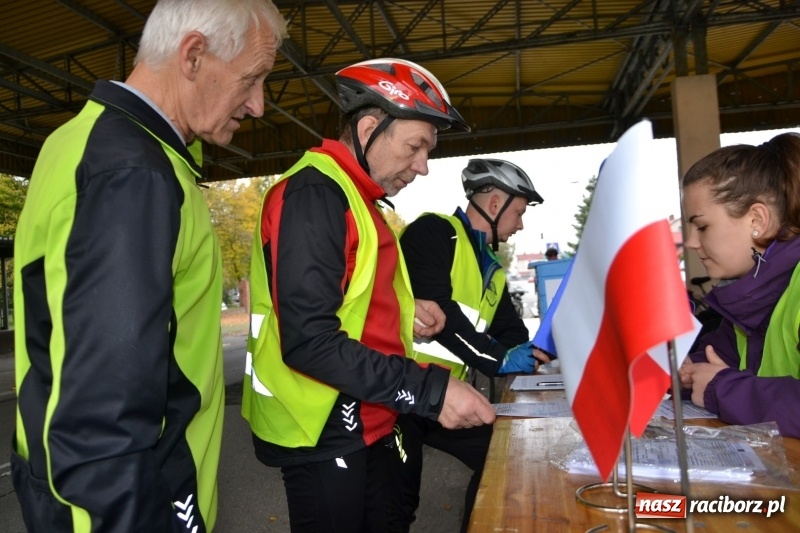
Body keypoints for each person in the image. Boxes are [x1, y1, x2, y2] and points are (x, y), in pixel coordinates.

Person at [10, 1, 287, 531]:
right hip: (140, 504)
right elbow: (102, 421)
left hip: (66, 491)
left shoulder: (77, 142)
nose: (258, 105)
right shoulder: (135, 173)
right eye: (252, 79)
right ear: (193, 55)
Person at [242, 58, 497, 532]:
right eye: (415, 147)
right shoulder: (315, 195)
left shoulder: (357, 198)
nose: (422, 167)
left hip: (370, 416)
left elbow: (348, 299)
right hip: (322, 428)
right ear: (367, 127)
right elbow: (310, 340)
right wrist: (431, 391)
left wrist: (405, 309)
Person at [387, 158, 550, 531]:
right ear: (495, 205)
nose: (521, 224)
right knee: (396, 507)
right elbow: (440, 314)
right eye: (519, 213)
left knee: (503, 455)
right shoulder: (432, 232)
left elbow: (512, 331)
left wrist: (526, 353)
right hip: (402, 393)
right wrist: (497, 357)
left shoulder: (490, 266)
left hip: (447, 394)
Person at [678, 132, 800, 438]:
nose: (692, 242)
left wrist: (723, 389)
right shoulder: (749, 303)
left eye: (702, 226)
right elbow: (709, 364)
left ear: (757, 219)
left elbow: (721, 384)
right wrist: (680, 372)